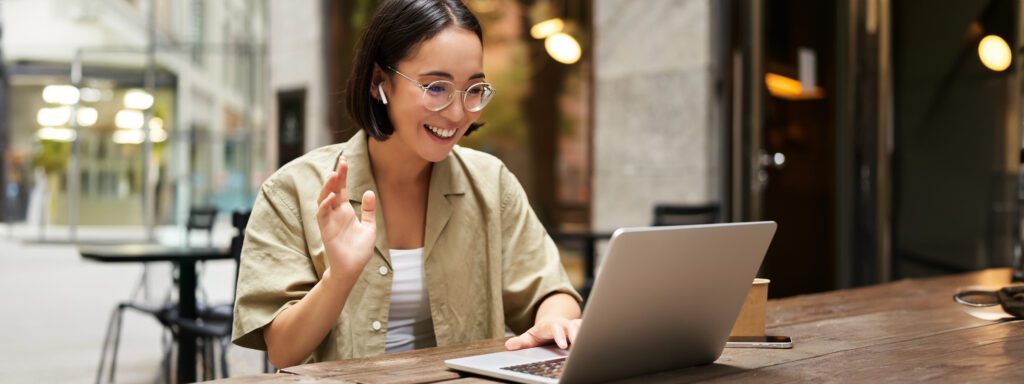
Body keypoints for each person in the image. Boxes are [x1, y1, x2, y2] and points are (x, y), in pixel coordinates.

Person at [231, 0, 582, 368]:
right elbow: (283, 351)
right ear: (379, 83)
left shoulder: (491, 183)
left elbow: (551, 292)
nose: (458, 112)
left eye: (473, 89)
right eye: (435, 88)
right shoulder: (291, 191)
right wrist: (340, 277)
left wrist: (554, 321)